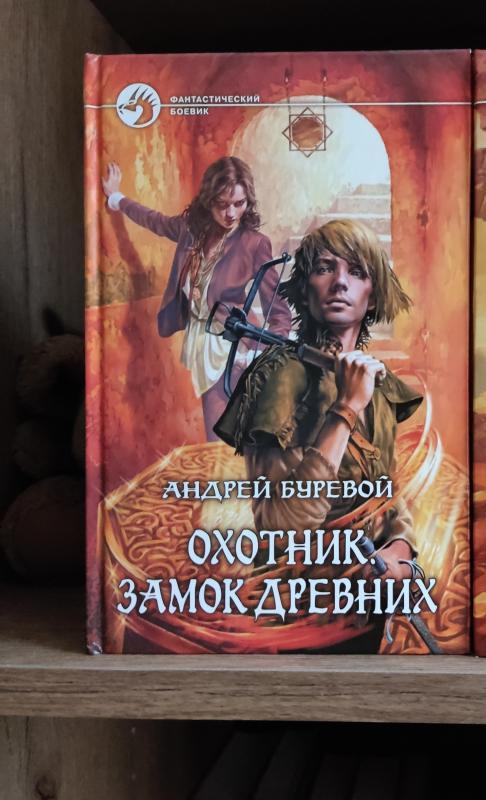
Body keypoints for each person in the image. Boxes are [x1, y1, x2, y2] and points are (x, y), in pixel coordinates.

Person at [214, 218, 423, 651]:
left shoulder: (377, 383)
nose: (340, 282)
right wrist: (345, 409)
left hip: (365, 608)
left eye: (357, 272)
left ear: (373, 295)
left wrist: (400, 552)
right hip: (296, 611)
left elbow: (387, 494)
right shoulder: (279, 377)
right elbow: (282, 525)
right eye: (325, 268)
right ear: (305, 289)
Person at [101, 156, 292, 439]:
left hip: (235, 349)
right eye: (222, 204)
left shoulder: (254, 244)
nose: (231, 213)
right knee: (218, 435)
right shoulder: (191, 229)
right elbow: (155, 221)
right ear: (208, 200)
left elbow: (279, 312)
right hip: (203, 343)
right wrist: (116, 198)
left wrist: (263, 355)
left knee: (224, 438)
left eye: (239, 204)